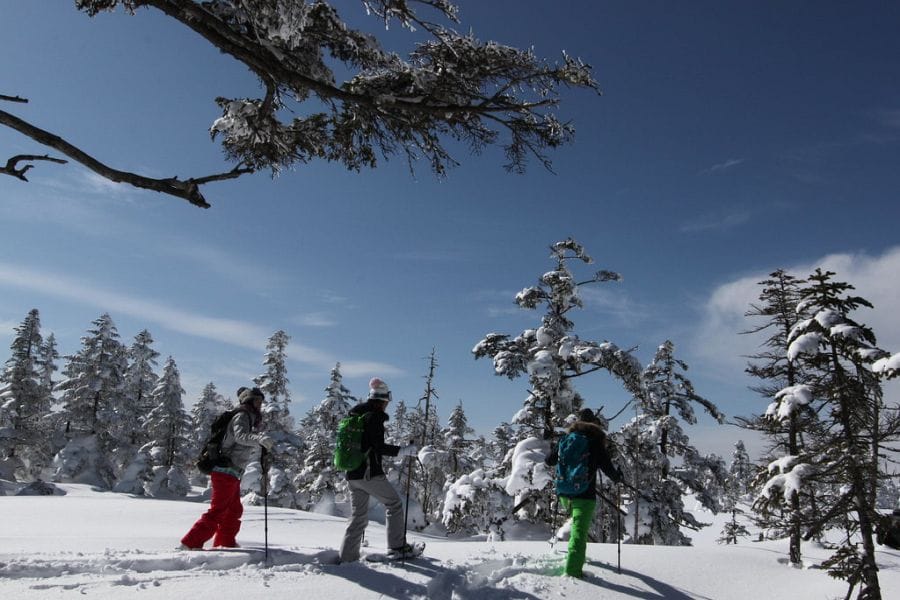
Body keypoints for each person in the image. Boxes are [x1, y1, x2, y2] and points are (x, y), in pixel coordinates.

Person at [180, 386, 274, 550]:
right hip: (225, 469)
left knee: (233, 510)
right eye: (257, 400)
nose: (260, 404)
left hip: (232, 470)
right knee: (219, 510)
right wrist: (259, 439)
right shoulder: (242, 415)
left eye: (261, 401)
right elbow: (240, 436)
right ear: (249, 401)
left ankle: (225, 543)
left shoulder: (249, 416)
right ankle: (191, 542)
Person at [339, 377, 418, 562]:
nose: (387, 405)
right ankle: (397, 547)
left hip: (352, 474)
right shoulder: (373, 417)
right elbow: (378, 446)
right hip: (368, 473)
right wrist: (403, 451)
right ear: (382, 401)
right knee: (394, 504)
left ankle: (347, 557)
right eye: (386, 402)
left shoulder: (356, 415)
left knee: (358, 517)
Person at [545, 407, 623, 578]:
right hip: (585, 495)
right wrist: (618, 477)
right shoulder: (595, 441)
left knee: (576, 528)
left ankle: (575, 559)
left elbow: (549, 461)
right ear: (594, 423)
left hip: (565, 493)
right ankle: (573, 572)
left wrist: (554, 448)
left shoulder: (566, 439)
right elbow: (607, 467)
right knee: (578, 534)